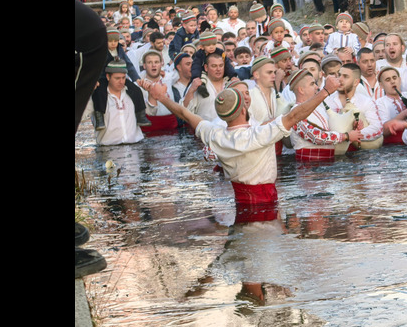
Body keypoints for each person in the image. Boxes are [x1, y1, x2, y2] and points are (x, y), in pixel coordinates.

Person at [139, 72, 344, 221]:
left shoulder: (214, 134)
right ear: (243, 109)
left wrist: (160, 97)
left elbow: (185, 114)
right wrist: (326, 90)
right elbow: (295, 115)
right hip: (266, 204)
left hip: (240, 205)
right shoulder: (259, 134)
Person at [95, 60, 145, 145]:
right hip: (108, 151)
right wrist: (85, 92)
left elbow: (152, 111)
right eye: (117, 78)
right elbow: (81, 114)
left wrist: (153, 96)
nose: (121, 81)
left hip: (136, 148)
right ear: (108, 77)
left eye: (123, 78)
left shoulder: (134, 92)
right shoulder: (97, 95)